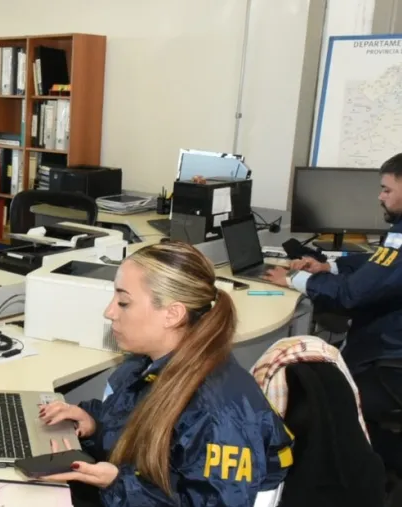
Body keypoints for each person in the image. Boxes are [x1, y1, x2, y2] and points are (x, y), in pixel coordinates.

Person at [40, 241, 293, 506]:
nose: (109, 312)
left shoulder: (217, 413)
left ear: (173, 314)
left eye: (124, 302)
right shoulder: (152, 364)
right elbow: (136, 429)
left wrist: (117, 484)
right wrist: (94, 425)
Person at [264, 153, 402, 477]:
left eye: (386, 189)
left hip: (390, 361)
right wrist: (329, 266)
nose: (380, 197)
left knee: (311, 394)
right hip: (389, 346)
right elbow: (378, 264)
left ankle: (337, 472)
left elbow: (351, 295)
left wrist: (294, 278)